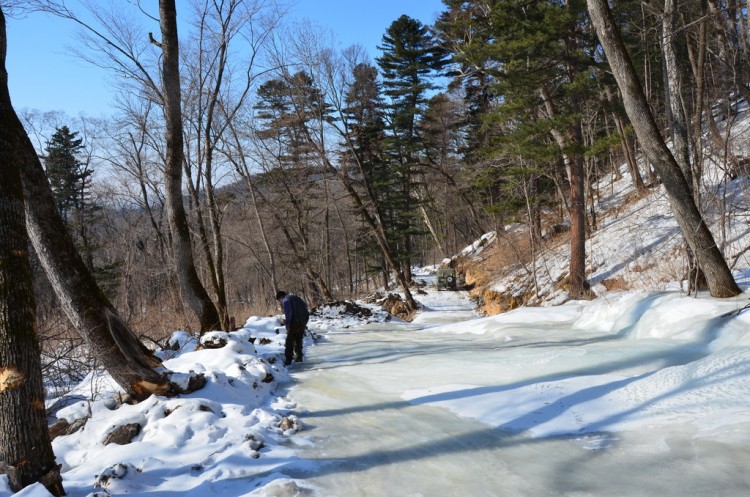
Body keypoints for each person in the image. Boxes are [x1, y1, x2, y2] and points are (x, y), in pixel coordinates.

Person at [276, 290, 309, 366]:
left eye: (279, 301)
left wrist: (288, 323)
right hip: (303, 320)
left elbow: (289, 312)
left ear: (280, 297)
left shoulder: (286, 300)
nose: (280, 302)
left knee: (289, 341)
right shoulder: (297, 297)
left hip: (295, 322)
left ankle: (288, 360)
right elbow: (305, 308)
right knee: (298, 339)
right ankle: (299, 357)